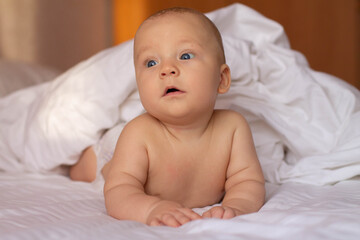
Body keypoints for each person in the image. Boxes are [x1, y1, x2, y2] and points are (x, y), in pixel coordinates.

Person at [70, 7, 265, 227]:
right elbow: (117, 190)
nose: (167, 69)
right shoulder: (139, 133)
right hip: (112, 151)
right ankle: (82, 159)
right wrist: (151, 208)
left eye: (185, 55)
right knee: (89, 167)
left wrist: (237, 206)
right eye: (151, 63)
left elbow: (248, 180)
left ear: (222, 79)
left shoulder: (233, 128)